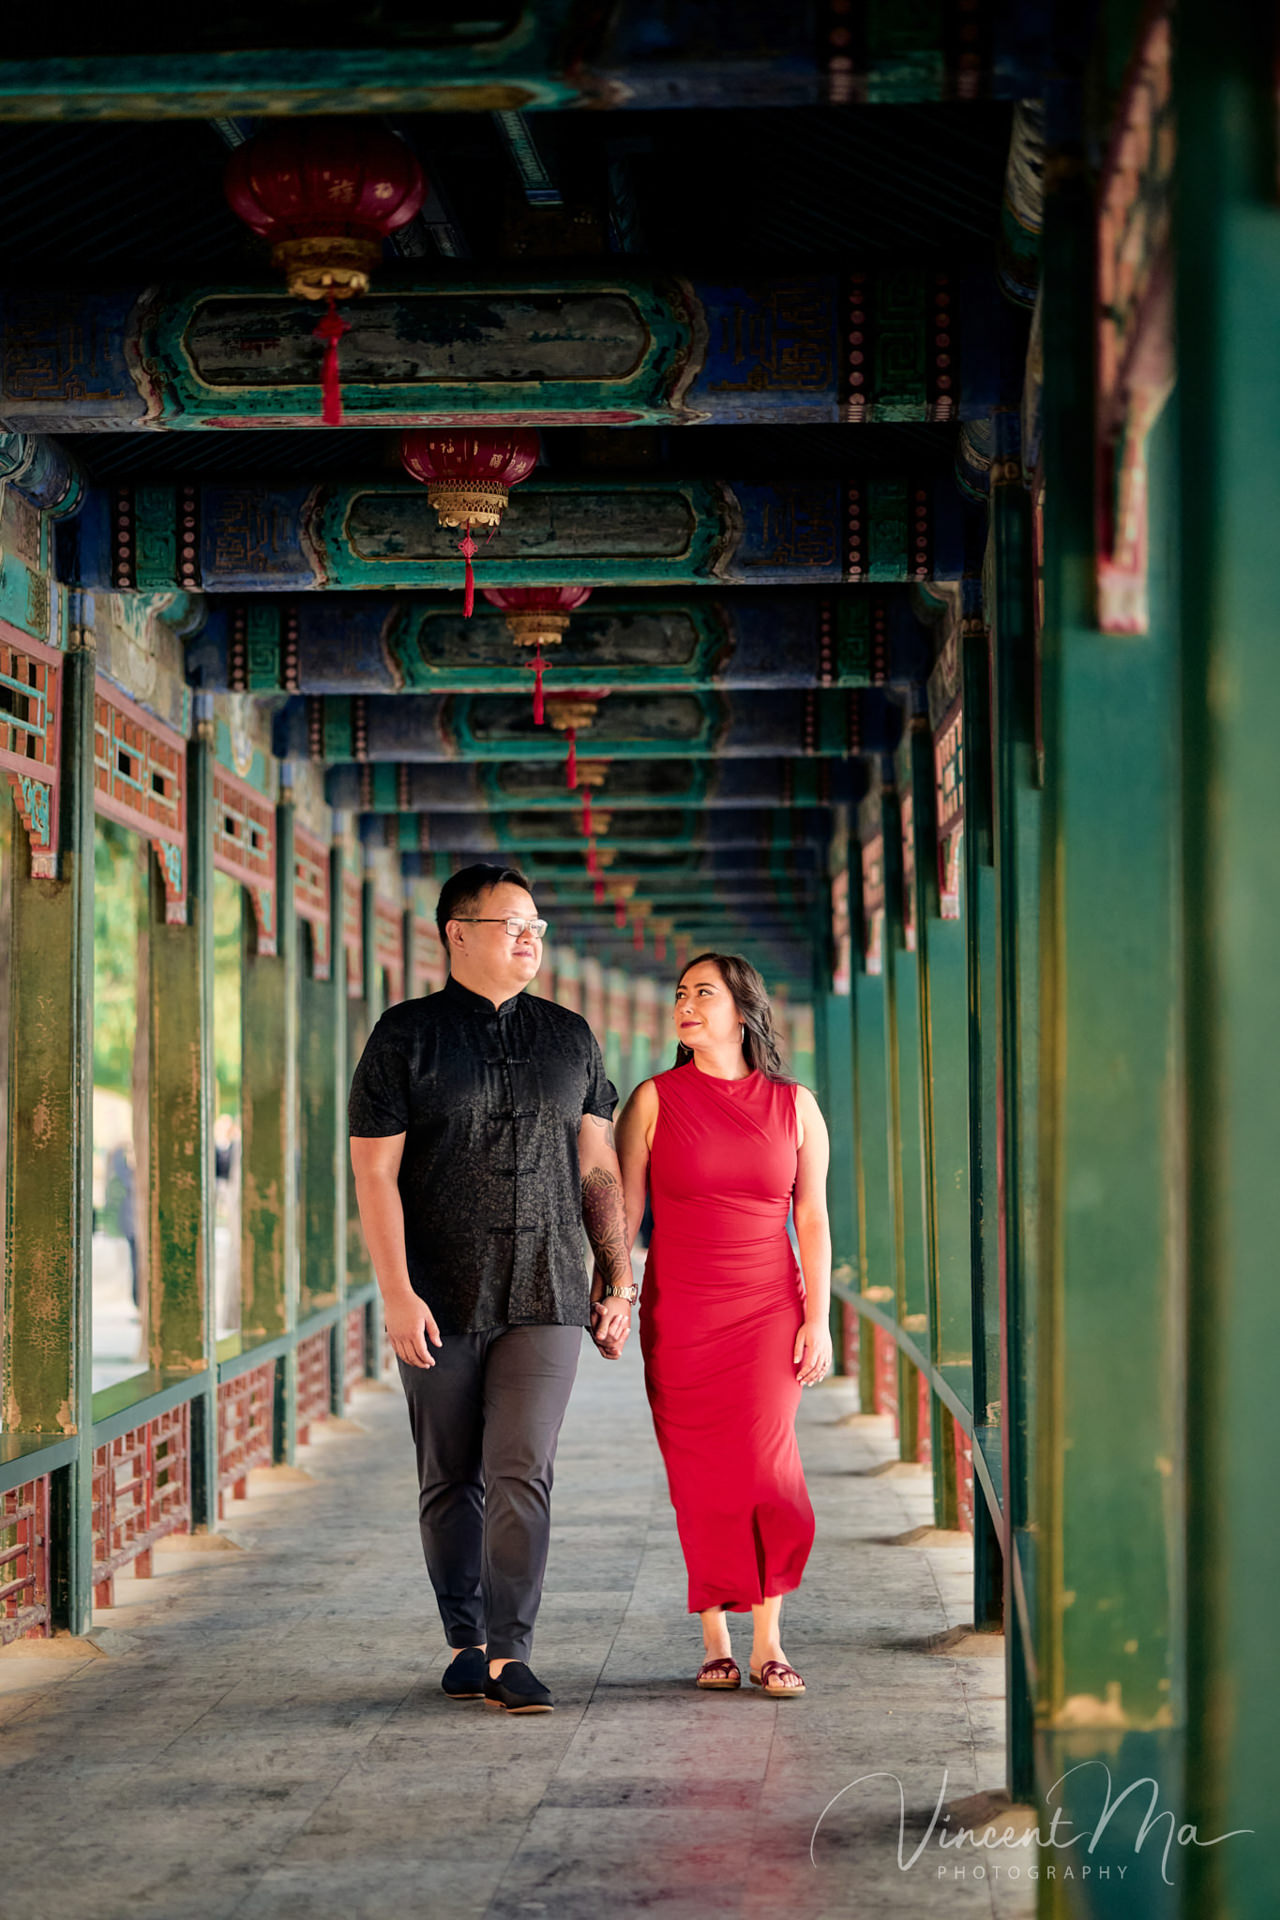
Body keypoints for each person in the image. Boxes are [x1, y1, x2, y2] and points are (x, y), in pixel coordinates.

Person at [347, 863, 634, 1715]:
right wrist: (397, 1293)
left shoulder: (571, 1036)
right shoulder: (405, 1037)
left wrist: (618, 1276)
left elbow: (597, 1166)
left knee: (523, 1466)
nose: (531, 938)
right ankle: (464, 1640)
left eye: (538, 925)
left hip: (546, 1286)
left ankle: (512, 1653)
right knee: (448, 1473)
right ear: (457, 933)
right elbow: (374, 1174)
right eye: (513, 924)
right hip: (438, 1289)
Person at [611, 952, 833, 1696]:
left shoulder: (794, 1105)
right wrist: (615, 1288)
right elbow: (622, 1214)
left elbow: (813, 1216)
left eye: (703, 993)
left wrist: (819, 1319)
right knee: (701, 1480)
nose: (686, 1004)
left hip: (771, 1309)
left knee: (772, 1472)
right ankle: (717, 1635)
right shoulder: (652, 1100)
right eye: (680, 994)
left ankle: (770, 1637)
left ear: (742, 1010)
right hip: (683, 1313)